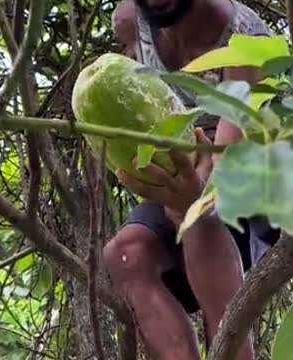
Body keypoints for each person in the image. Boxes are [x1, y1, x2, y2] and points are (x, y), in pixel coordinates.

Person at [101, 0, 281, 359]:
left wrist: (188, 199)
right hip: (183, 160)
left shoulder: (244, 42)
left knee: (198, 216)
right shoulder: (131, 22)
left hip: (252, 174)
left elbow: (226, 160)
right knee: (126, 254)